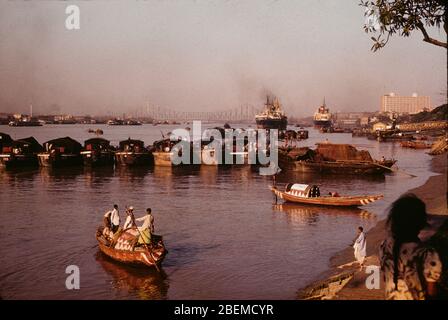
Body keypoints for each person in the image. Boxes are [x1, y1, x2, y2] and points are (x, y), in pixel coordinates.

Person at [379, 194, 442, 300]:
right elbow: (432, 292)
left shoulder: (384, 245)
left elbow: (385, 276)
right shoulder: (427, 253)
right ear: (421, 223)